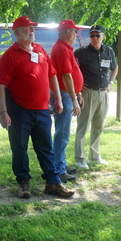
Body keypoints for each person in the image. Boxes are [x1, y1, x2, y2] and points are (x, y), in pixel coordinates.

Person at [0, 15, 75, 199]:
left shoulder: (39, 50)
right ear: (17, 33)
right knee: (19, 148)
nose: (32, 30)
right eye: (28, 28)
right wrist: (3, 112)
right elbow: (0, 85)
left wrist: (58, 100)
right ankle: (23, 183)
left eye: (33, 27)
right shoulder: (10, 55)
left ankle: (53, 183)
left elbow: (52, 74)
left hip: (42, 110)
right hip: (19, 110)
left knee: (46, 148)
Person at [74, 24, 118, 169]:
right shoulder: (81, 52)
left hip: (103, 93)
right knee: (83, 126)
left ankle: (94, 156)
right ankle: (80, 159)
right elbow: (71, 68)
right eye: (92, 35)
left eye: (97, 35)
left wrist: (111, 82)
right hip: (88, 93)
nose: (94, 38)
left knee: (98, 126)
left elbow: (115, 67)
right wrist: (78, 86)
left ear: (103, 36)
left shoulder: (109, 51)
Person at [51, 19, 84, 183]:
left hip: (67, 94)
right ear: (68, 32)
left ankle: (61, 164)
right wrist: (74, 98)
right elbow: (66, 76)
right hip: (64, 95)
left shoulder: (65, 48)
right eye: (75, 32)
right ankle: (58, 168)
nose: (77, 35)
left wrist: (78, 94)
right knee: (62, 134)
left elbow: (71, 75)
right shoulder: (62, 49)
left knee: (63, 133)